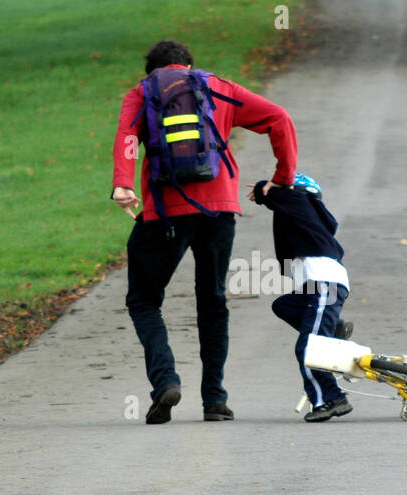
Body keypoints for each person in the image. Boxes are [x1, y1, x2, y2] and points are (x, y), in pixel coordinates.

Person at [111, 40, 297, 424]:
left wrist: (123, 183)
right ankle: (214, 399)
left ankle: (165, 382)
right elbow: (278, 117)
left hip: (164, 213)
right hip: (219, 210)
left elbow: (128, 138)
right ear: (191, 65)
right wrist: (283, 179)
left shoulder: (142, 93)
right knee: (212, 299)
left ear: (152, 71)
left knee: (144, 300)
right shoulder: (217, 87)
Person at [249, 174, 355, 423]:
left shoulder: (301, 203)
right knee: (283, 305)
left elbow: (283, 194)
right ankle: (334, 329)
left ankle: (330, 399)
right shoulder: (301, 218)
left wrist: (264, 187)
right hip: (318, 285)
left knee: (308, 348)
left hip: (324, 285)